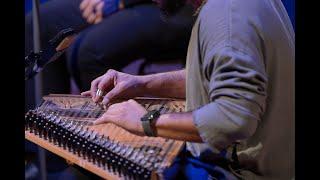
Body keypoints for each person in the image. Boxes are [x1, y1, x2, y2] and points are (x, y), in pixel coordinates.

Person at [81, 0, 295, 179]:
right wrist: (141, 84)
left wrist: (146, 122)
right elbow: (212, 75)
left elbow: (233, 117)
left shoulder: (224, 19)